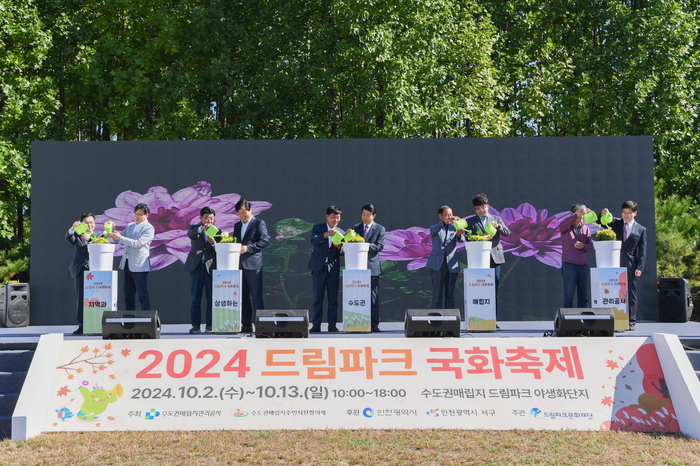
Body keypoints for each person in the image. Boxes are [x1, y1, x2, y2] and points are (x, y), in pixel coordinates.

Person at [602, 201, 647, 330]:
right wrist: (603, 213)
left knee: (630, 293)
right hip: (614, 263)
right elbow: (602, 221)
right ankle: (615, 320)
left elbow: (642, 251)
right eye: (624, 212)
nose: (626, 215)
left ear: (635, 213)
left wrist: (640, 267)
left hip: (631, 264)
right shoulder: (616, 223)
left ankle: (631, 322)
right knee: (615, 292)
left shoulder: (641, 229)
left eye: (629, 213)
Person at [466, 193, 511, 310]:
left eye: (483, 207)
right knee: (478, 288)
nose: (481, 210)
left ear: (488, 206)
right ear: (475, 209)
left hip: (494, 257)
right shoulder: (470, 221)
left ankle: (492, 319)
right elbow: (467, 238)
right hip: (478, 258)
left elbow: (507, 233)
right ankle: (479, 316)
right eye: (478, 209)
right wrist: (481, 237)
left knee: (493, 288)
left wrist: (499, 226)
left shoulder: (496, 219)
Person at [108, 203, 154, 310]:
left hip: (139, 265)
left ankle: (146, 321)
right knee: (128, 295)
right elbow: (118, 239)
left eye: (140, 215)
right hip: (127, 264)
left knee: (142, 295)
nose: (137, 217)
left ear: (147, 215)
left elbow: (139, 243)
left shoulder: (149, 228)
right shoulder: (130, 225)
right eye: (136, 214)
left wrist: (120, 238)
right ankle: (129, 322)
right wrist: (112, 231)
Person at [232, 198, 270, 333]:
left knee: (256, 296)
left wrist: (249, 248)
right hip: (239, 264)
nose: (242, 215)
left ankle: (261, 324)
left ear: (250, 210)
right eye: (239, 212)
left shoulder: (259, 223)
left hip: (253, 265)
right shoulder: (237, 225)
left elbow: (265, 241)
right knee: (243, 296)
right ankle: (246, 324)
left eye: (244, 212)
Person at [350, 203, 386, 332]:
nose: (365, 217)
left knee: (372, 297)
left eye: (368, 215)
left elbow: (379, 246)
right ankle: (357, 323)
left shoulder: (380, 229)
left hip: (372, 267)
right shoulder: (356, 227)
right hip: (357, 268)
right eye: (363, 214)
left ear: (374, 216)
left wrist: (363, 245)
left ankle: (374, 324)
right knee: (358, 297)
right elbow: (350, 244)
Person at [308, 206, 344, 332]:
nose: (335, 220)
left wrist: (339, 247)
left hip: (333, 267)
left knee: (333, 298)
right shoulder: (318, 228)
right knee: (318, 297)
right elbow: (313, 241)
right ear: (327, 216)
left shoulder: (341, 232)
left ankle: (332, 325)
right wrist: (325, 235)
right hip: (319, 267)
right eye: (333, 217)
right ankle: (316, 324)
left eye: (338, 217)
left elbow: (344, 251)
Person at [184, 207, 218, 334]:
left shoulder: (217, 231)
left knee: (211, 298)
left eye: (211, 218)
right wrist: (201, 229)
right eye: (206, 218)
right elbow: (191, 235)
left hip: (210, 267)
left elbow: (220, 247)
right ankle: (195, 325)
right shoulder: (194, 228)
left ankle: (209, 325)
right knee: (195, 297)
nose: (209, 220)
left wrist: (214, 243)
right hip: (196, 266)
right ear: (201, 218)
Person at [426, 205, 464, 309]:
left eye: (451, 214)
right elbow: (433, 231)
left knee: (450, 293)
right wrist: (444, 223)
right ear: (440, 216)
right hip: (437, 263)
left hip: (451, 263)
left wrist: (459, 234)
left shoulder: (454, 227)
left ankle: (449, 319)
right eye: (447, 214)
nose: (450, 216)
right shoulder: (435, 226)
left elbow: (461, 240)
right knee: (437, 292)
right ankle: (436, 318)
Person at [66, 212, 96, 334]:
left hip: (95, 271)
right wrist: (72, 229)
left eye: (92, 222)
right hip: (80, 270)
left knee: (94, 299)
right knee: (81, 299)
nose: (90, 225)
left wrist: (91, 240)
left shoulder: (100, 235)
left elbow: (103, 245)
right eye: (87, 223)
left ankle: (95, 324)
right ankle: (82, 325)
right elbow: (69, 238)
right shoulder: (78, 235)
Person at [559, 204, 594, 308]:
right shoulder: (566, 227)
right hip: (569, 265)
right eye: (579, 213)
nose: (581, 216)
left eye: (583, 214)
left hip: (583, 266)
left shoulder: (586, 228)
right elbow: (561, 226)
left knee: (583, 296)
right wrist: (576, 215)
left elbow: (590, 246)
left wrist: (583, 246)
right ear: (572, 214)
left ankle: (582, 321)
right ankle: (568, 322)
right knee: (569, 296)